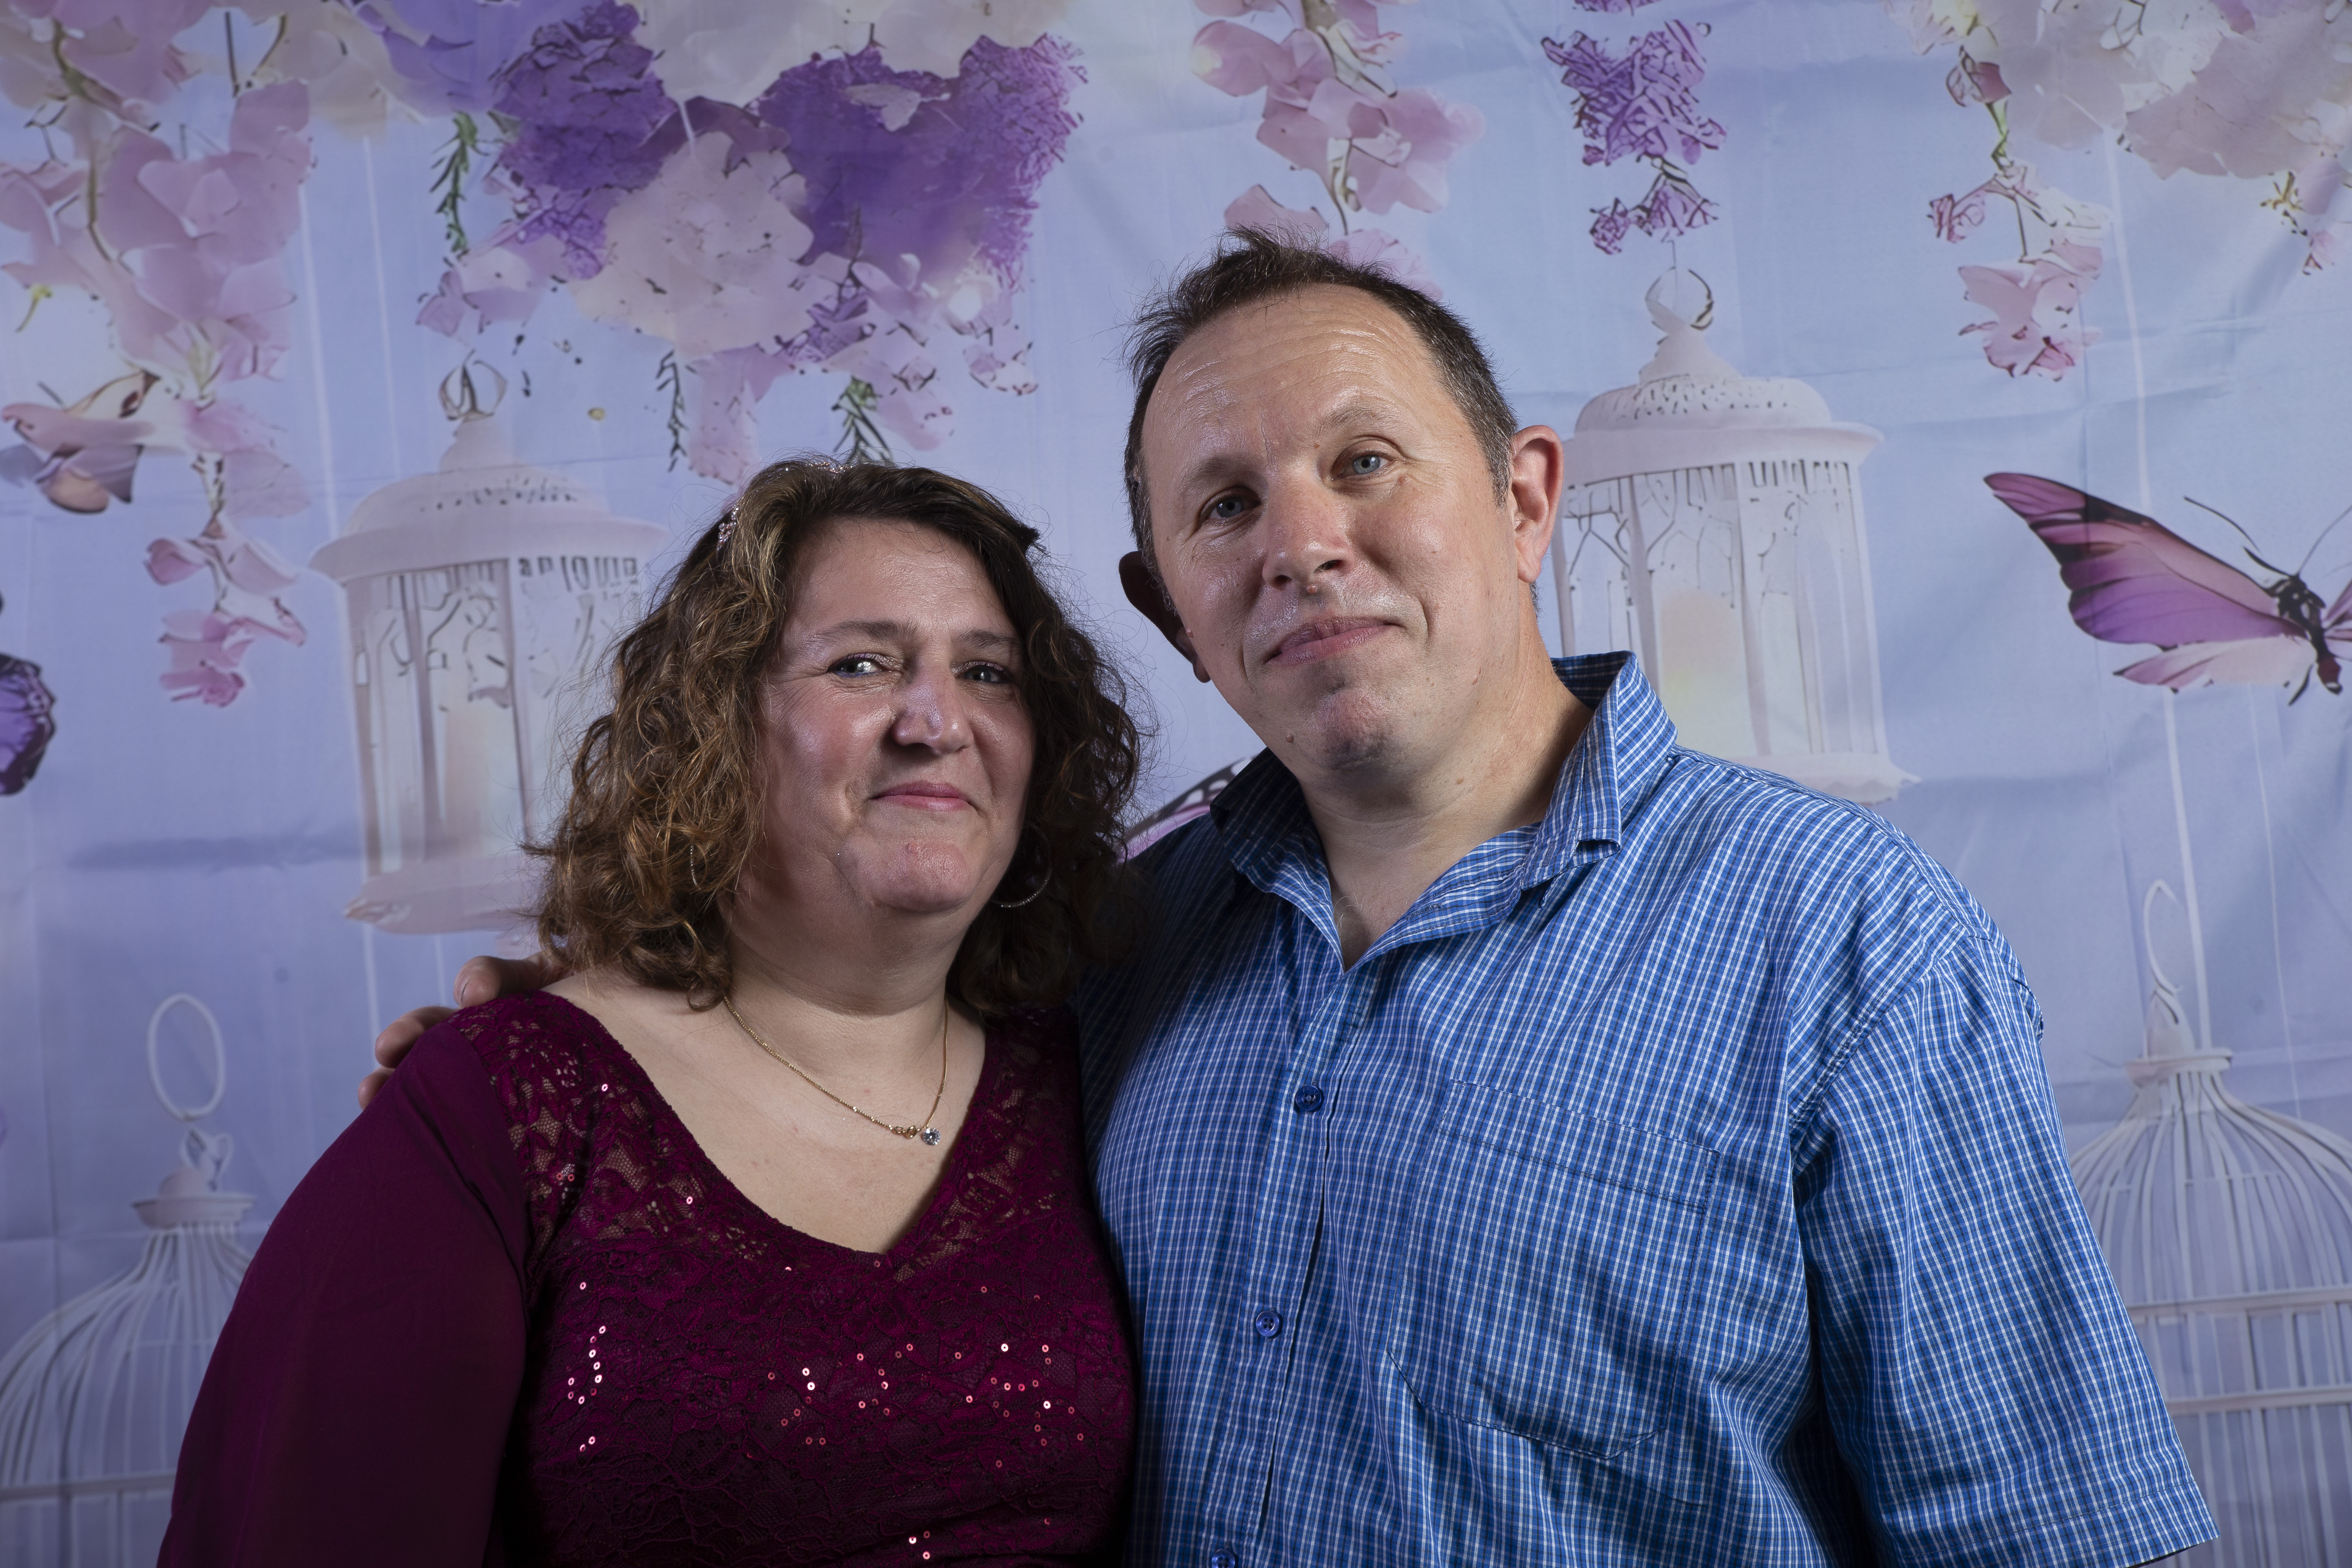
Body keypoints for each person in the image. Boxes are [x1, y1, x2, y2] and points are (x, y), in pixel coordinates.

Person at [373, 232, 2216, 1565]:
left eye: (1362, 464)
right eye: (1224, 506)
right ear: (1168, 604)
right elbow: (838, 1061)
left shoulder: (1847, 946)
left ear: (1524, 498)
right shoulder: (1110, 953)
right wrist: (590, 1047)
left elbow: (2045, 1532)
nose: (1303, 544)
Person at [166, 462, 1142, 1564]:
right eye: (861, 665)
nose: (937, 721)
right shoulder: (512, 1105)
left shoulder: (1097, 1066)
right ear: (715, 728)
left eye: (988, 672)